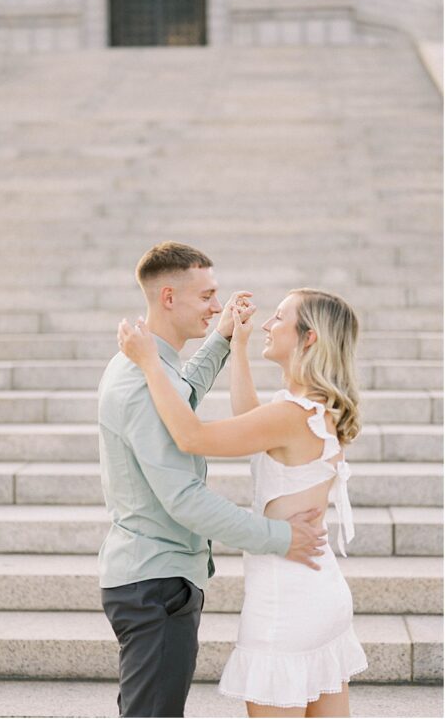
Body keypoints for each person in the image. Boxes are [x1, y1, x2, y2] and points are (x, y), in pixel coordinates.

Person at [97, 241, 328, 717]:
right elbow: (185, 499)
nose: (218, 305)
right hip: (155, 583)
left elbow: (182, 393)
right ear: (167, 298)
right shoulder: (144, 380)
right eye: (207, 296)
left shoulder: (152, 366)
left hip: (154, 576)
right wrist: (280, 537)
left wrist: (222, 339)